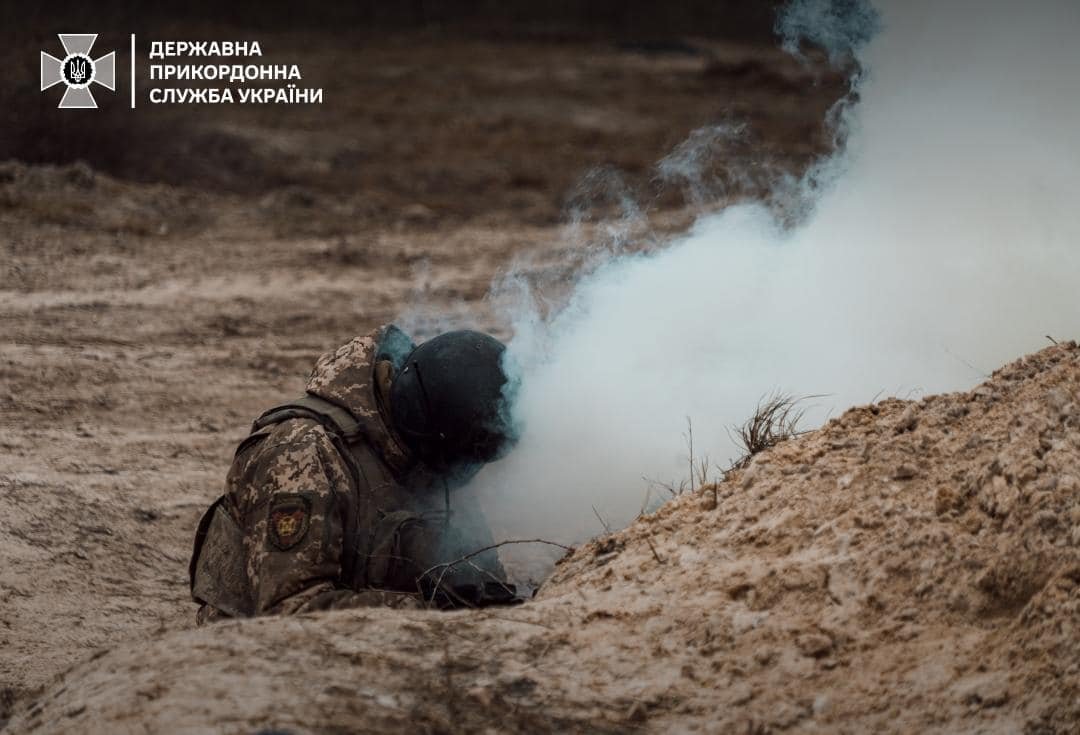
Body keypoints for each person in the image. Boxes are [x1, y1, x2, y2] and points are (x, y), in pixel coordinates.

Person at [189, 324, 518, 624]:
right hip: (253, 657)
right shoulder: (303, 454)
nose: (469, 476)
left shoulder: (437, 448)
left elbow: (481, 578)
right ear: (429, 435)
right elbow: (288, 612)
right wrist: (432, 612)